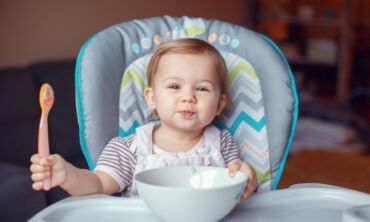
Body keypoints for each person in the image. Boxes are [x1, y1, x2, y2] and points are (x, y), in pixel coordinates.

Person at [30, 38, 257, 201]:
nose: (188, 97)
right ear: (152, 98)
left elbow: (237, 192)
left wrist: (246, 180)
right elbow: (98, 184)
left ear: (219, 105)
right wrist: (67, 174)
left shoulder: (222, 143)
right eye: (174, 86)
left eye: (201, 88)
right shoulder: (129, 149)